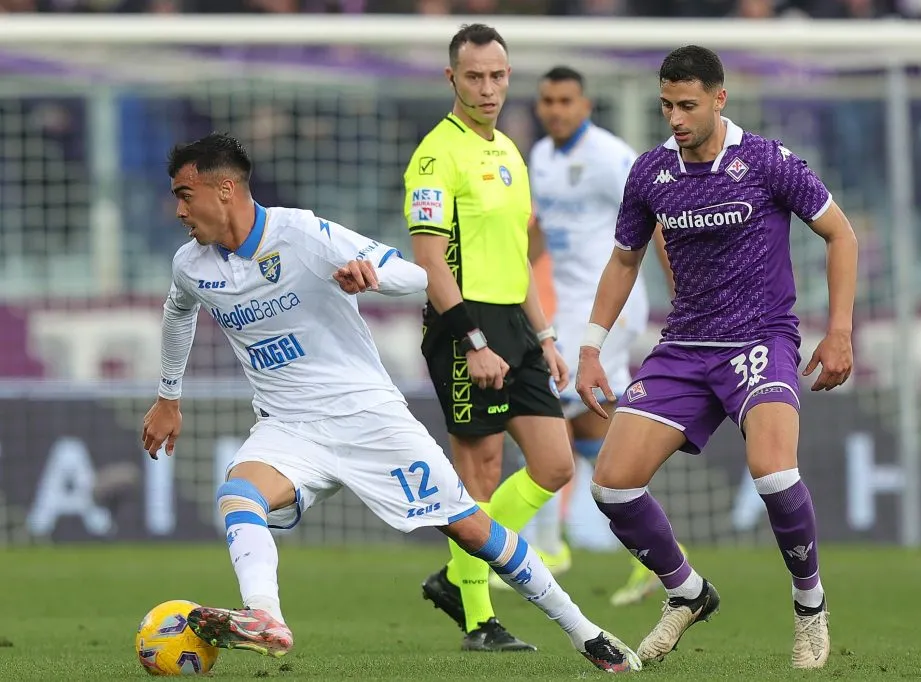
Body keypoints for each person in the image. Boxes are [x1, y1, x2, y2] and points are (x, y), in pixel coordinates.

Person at [140, 132, 642, 674]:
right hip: (290, 425)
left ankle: (586, 633)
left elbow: (417, 274)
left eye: (185, 194)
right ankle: (266, 617)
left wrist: (372, 278)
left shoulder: (302, 234)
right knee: (239, 496)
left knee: (471, 529)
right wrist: (168, 396)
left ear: (225, 189)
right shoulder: (191, 264)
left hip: (368, 417)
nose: (177, 210)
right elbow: (178, 312)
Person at [576, 46, 858, 670]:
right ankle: (687, 592)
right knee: (612, 488)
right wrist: (591, 345)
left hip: (759, 340)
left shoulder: (765, 161)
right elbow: (625, 260)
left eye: (687, 105)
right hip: (684, 347)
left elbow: (842, 233)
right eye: (666, 106)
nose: (674, 118)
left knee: (773, 472)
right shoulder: (651, 173)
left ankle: (809, 607)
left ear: (718, 99)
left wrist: (839, 331)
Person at [404, 24, 577, 653]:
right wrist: (474, 341)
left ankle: (458, 573)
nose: (487, 88)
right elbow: (428, 258)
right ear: (452, 78)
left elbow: (519, 256)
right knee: (478, 470)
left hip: (516, 322)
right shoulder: (434, 155)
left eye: (497, 76)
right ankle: (479, 620)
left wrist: (548, 336)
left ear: (510, 77)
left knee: (555, 463)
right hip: (462, 324)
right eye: (473, 76)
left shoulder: (509, 150)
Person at [494, 65, 683, 608]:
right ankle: (656, 553)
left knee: (537, 414)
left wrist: (682, 293)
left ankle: (550, 548)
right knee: (585, 434)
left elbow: (661, 218)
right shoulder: (543, 159)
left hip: (610, 308)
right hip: (573, 306)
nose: (554, 109)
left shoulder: (609, 156)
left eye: (565, 100)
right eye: (546, 100)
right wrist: (503, 282)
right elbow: (541, 234)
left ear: (585, 105)